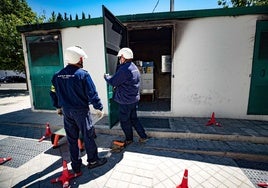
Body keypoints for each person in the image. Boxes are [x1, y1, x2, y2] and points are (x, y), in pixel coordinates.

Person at [50, 46, 107, 175]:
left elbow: (53, 92)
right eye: (82, 58)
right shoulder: (83, 74)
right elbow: (92, 93)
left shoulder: (57, 76)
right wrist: (98, 107)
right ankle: (92, 161)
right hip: (81, 111)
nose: (83, 60)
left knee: (71, 139)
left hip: (67, 111)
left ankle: (76, 165)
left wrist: (58, 106)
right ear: (78, 58)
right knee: (88, 136)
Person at [104, 47, 148, 145]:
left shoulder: (124, 69)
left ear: (123, 57)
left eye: (120, 57)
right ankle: (143, 136)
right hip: (133, 99)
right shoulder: (134, 67)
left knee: (125, 121)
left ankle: (129, 139)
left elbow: (113, 81)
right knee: (134, 118)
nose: (120, 59)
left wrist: (106, 77)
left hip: (125, 101)